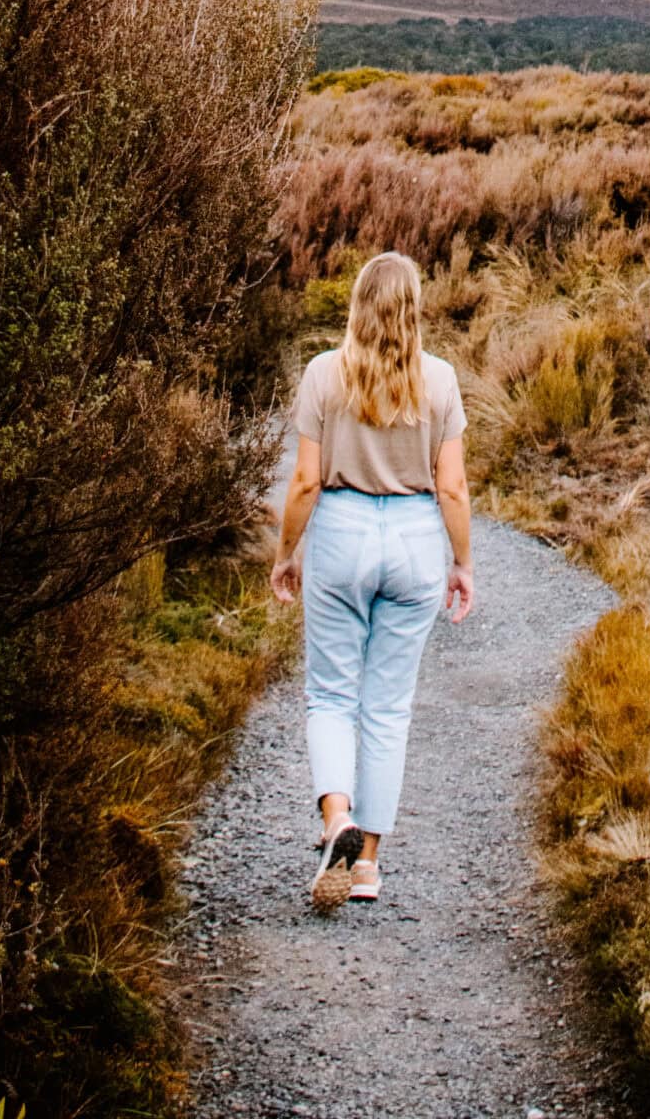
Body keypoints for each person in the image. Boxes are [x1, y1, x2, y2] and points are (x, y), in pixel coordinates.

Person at [270, 249, 475, 912]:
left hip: (343, 533)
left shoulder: (323, 376)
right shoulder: (439, 381)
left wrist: (286, 553)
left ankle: (336, 819)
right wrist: (462, 563)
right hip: (415, 539)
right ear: (414, 309)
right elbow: (452, 486)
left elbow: (304, 481)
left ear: (356, 305)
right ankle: (367, 868)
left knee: (331, 694)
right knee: (388, 707)